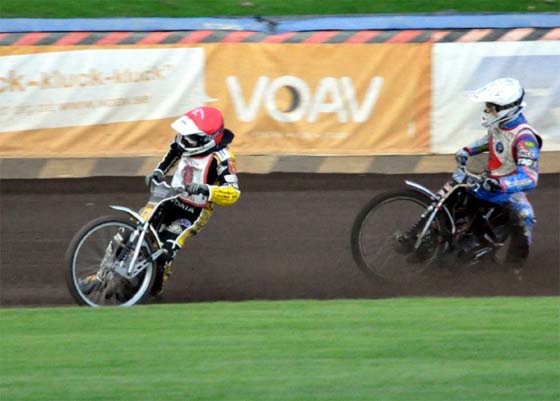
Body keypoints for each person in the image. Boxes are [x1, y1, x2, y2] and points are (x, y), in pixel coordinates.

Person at [81, 106, 241, 297]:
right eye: (184, 135)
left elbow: (233, 192)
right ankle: (100, 277)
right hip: (169, 197)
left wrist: (206, 189)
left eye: (191, 138)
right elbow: (173, 152)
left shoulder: (223, 159)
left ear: (207, 139)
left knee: (165, 249)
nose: (184, 140)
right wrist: (158, 171)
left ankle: (153, 287)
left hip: (194, 212)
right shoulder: (184, 142)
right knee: (128, 232)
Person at [454, 78, 542, 272]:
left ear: (506, 108)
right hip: (487, 181)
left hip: (507, 191)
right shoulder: (499, 124)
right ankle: (446, 234)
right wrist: (468, 150)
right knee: (457, 191)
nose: (486, 111)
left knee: (525, 217)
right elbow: (489, 139)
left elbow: (529, 177)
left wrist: (501, 184)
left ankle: (513, 270)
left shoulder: (525, 138)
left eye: (490, 107)